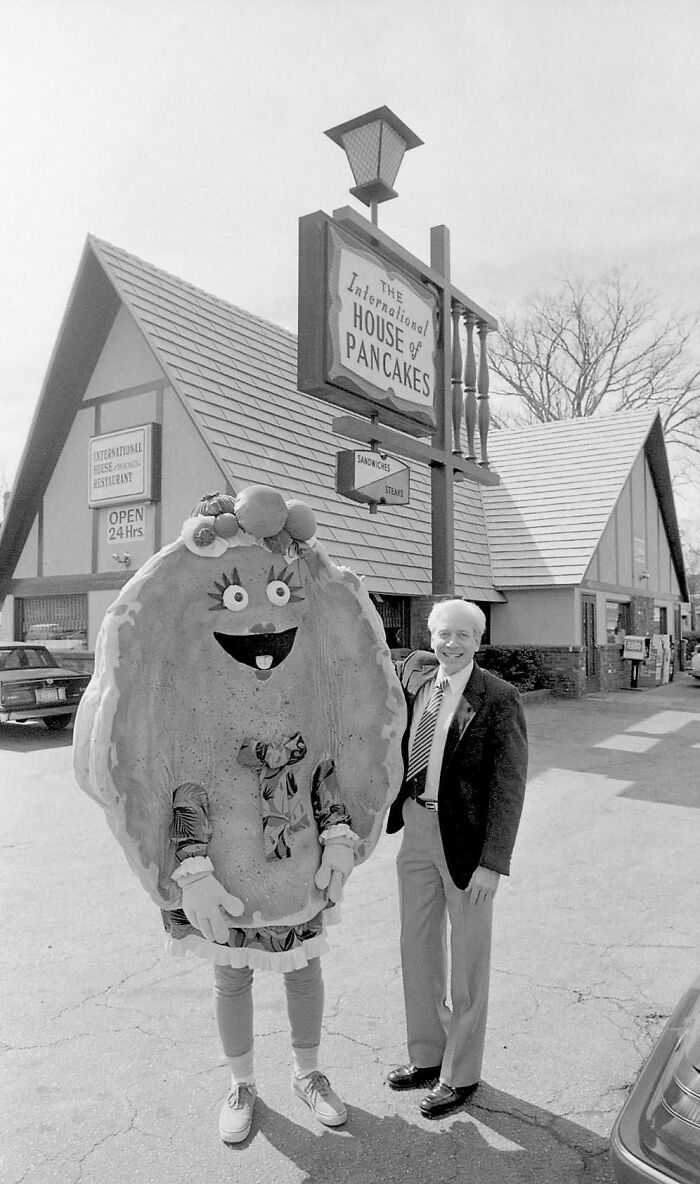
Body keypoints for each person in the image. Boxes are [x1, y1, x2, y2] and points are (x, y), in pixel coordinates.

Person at [386, 598, 528, 1118]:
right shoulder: (417, 683)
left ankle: (460, 1074)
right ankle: (427, 1055)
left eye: (462, 635)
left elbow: (508, 787)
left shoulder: (499, 698)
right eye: (443, 633)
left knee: (468, 963)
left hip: (467, 844)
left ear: (478, 639)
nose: (450, 643)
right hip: (417, 829)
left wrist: (494, 861)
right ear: (431, 634)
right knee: (417, 947)